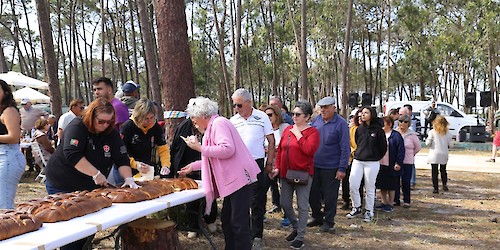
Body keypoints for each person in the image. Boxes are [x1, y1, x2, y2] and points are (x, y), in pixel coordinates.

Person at [45, 98, 140, 249]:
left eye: (109, 122)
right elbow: (72, 154)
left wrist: (128, 178)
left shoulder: (111, 133)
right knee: (71, 232)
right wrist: (95, 174)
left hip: (89, 187)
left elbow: (121, 158)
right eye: (101, 121)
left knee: (88, 228)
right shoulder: (77, 126)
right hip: (63, 182)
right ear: (91, 116)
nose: (105, 125)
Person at [178, 96, 260, 250]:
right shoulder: (213, 126)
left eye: (194, 118)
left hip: (240, 180)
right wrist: (193, 166)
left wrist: (199, 148)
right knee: (228, 221)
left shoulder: (219, 123)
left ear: (203, 115)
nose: (193, 123)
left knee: (238, 224)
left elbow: (227, 150)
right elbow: (214, 158)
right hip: (233, 182)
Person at [270, 101, 319, 249]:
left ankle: (301, 236)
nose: (294, 117)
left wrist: (299, 135)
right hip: (285, 173)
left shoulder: (312, 132)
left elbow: (309, 150)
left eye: (298, 114)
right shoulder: (288, 130)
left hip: (303, 173)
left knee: (303, 206)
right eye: (293, 114)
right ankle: (296, 226)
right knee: (285, 203)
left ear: (307, 117)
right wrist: (277, 167)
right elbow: (281, 151)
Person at [230, 88, 275, 249]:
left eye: (239, 105)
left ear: (249, 103)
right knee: (241, 202)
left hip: (256, 163)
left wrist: (269, 163)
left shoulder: (262, 117)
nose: (236, 108)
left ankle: (257, 235)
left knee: (257, 201)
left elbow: (271, 141)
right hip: (238, 165)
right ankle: (243, 234)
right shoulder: (233, 120)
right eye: (234, 105)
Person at [170, 118, 218, 239]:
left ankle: (210, 220)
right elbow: (177, 147)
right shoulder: (184, 126)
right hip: (189, 164)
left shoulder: (212, 125)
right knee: (191, 198)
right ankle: (193, 226)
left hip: (207, 162)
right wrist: (177, 167)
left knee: (210, 192)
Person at [308, 96, 350, 232]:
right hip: (315, 165)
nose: (323, 110)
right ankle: (317, 217)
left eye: (326, 107)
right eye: (322, 107)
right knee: (312, 193)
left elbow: (345, 148)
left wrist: (342, 168)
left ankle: (329, 222)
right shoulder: (316, 121)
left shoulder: (341, 123)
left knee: (330, 196)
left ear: (334, 108)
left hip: (331, 167)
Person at [346, 106, 387, 223]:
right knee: (353, 184)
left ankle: (369, 211)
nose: (362, 115)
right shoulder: (359, 129)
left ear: (372, 114)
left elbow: (383, 147)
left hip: (372, 162)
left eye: (365, 113)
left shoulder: (378, 130)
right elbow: (358, 142)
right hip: (358, 160)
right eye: (361, 113)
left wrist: (375, 157)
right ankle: (356, 207)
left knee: (369, 188)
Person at [117, 98, 171, 183]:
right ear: (139, 116)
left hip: (147, 171)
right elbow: (120, 153)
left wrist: (165, 165)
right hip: (127, 170)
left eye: (152, 117)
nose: (150, 121)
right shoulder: (127, 127)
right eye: (146, 118)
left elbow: (163, 149)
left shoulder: (156, 127)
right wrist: (135, 164)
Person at [0, 80, 26, 209]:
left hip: (7, 156)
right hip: (4, 155)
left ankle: (8, 227)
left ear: (5, 93)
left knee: (4, 204)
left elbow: (14, 137)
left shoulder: (9, 111)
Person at [264, 105, 290, 226]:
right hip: (267, 163)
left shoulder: (285, 128)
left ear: (277, 115)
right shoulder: (263, 128)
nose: (268, 117)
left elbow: (290, 145)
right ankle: (261, 214)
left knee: (285, 190)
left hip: (283, 163)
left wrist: (275, 149)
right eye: (266, 115)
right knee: (262, 190)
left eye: (270, 115)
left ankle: (288, 216)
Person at [375, 117, 405, 212]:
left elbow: (401, 150)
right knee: (382, 184)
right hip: (380, 163)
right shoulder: (380, 134)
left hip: (392, 163)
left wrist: (398, 163)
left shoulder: (396, 135)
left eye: (384, 123)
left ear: (390, 124)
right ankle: (384, 202)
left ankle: (391, 203)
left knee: (391, 185)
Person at [394, 114, 421, 207]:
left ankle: (406, 200)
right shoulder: (395, 133)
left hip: (408, 161)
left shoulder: (412, 135)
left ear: (408, 123)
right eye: (401, 121)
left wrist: (411, 154)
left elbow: (417, 147)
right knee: (396, 181)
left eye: (405, 122)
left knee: (406, 181)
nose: (402, 124)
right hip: (396, 161)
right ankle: (395, 200)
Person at [341, 108, 362, 210]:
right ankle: (346, 201)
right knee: (346, 182)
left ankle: (359, 202)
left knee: (359, 183)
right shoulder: (348, 129)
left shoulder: (362, 130)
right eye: (353, 117)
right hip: (348, 159)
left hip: (359, 159)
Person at [426, 115, 452, 193]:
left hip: (434, 154)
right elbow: (451, 145)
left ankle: (435, 188)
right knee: (443, 170)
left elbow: (428, 143)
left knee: (434, 172)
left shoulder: (432, 132)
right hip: (444, 153)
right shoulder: (448, 133)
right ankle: (444, 184)